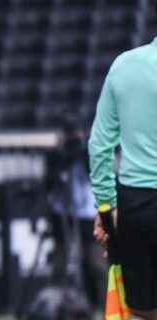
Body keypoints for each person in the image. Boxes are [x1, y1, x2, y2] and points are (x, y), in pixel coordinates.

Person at [89, 10, 157, 320]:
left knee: (144, 314)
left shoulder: (125, 65)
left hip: (136, 205)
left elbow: (99, 145)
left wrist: (105, 212)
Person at [46, 113, 104, 307]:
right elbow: (49, 180)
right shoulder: (55, 154)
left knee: (95, 261)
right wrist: (64, 154)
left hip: (88, 211)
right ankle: (56, 303)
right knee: (60, 261)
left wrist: (83, 150)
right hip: (62, 211)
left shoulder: (91, 150)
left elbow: (96, 172)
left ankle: (104, 304)